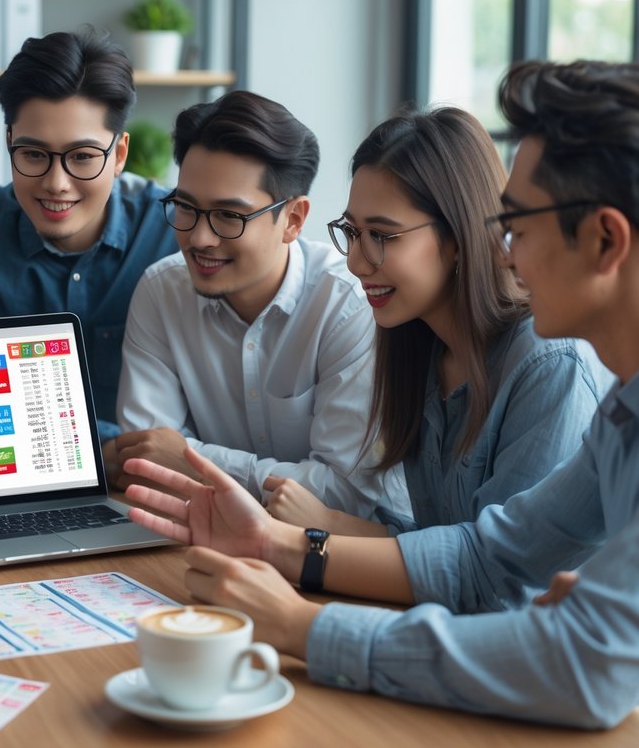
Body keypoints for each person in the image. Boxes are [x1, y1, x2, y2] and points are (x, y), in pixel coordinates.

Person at [124, 60, 639, 729]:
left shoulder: (557, 366)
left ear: (604, 239)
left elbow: (578, 660)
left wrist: (303, 626)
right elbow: (484, 557)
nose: (506, 252)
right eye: (354, 233)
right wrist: (277, 544)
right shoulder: (615, 407)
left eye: (517, 226)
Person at [263, 106, 609, 535]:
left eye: (382, 236)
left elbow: (499, 566)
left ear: (459, 238)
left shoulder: (548, 362)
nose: (355, 262)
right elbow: (439, 546)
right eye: (352, 232)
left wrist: (328, 531)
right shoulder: (419, 345)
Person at [113, 90, 406, 522]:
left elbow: (345, 494)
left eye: (229, 216)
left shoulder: (346, 304)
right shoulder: (161, 291)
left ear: (293, 219)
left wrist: (192, 460)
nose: (199, 238)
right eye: (186, 207)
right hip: (203, 535)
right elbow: (149, 461)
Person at [0, 29, 177, 450]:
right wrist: (107, 450)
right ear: (10, 143)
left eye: (82, 157)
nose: (56, 183)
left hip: (159, 475)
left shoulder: (173, 231)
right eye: (34, 155)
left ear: (119, 155)